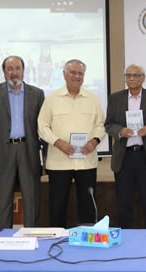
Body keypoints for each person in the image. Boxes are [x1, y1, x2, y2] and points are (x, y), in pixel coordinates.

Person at [37, 59, 106, 227]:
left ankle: (88, 243)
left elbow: (100, 125)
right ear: (64, 74)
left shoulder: (93, 98)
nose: (77, 76)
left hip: (86, 162)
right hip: (59, 163)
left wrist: (94, 141)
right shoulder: (52, 98)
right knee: (57, 207)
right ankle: (57, 243)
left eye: (80, 73)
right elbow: (42, 125)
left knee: (88, 207)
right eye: (73, 73)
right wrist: (58, 142)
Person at [0, 56, 45, 229]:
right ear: (3, 72)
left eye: (17, 68)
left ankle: (33, 235)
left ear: (23, 70)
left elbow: (44, 127)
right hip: (1, 152)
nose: (14, 72)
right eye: (9, 69)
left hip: (29, 150)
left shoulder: (37, 94)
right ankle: (2, 236)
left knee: (32, 198)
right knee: (1, 200)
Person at [105, 64, 146, 229]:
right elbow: (108, 124)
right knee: (123, 202)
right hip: (124, 157)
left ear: (143, 78)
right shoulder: (115, 98)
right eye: (128, 75)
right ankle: (125, 238)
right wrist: (120, 131)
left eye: (136, 75)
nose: (131, 78)